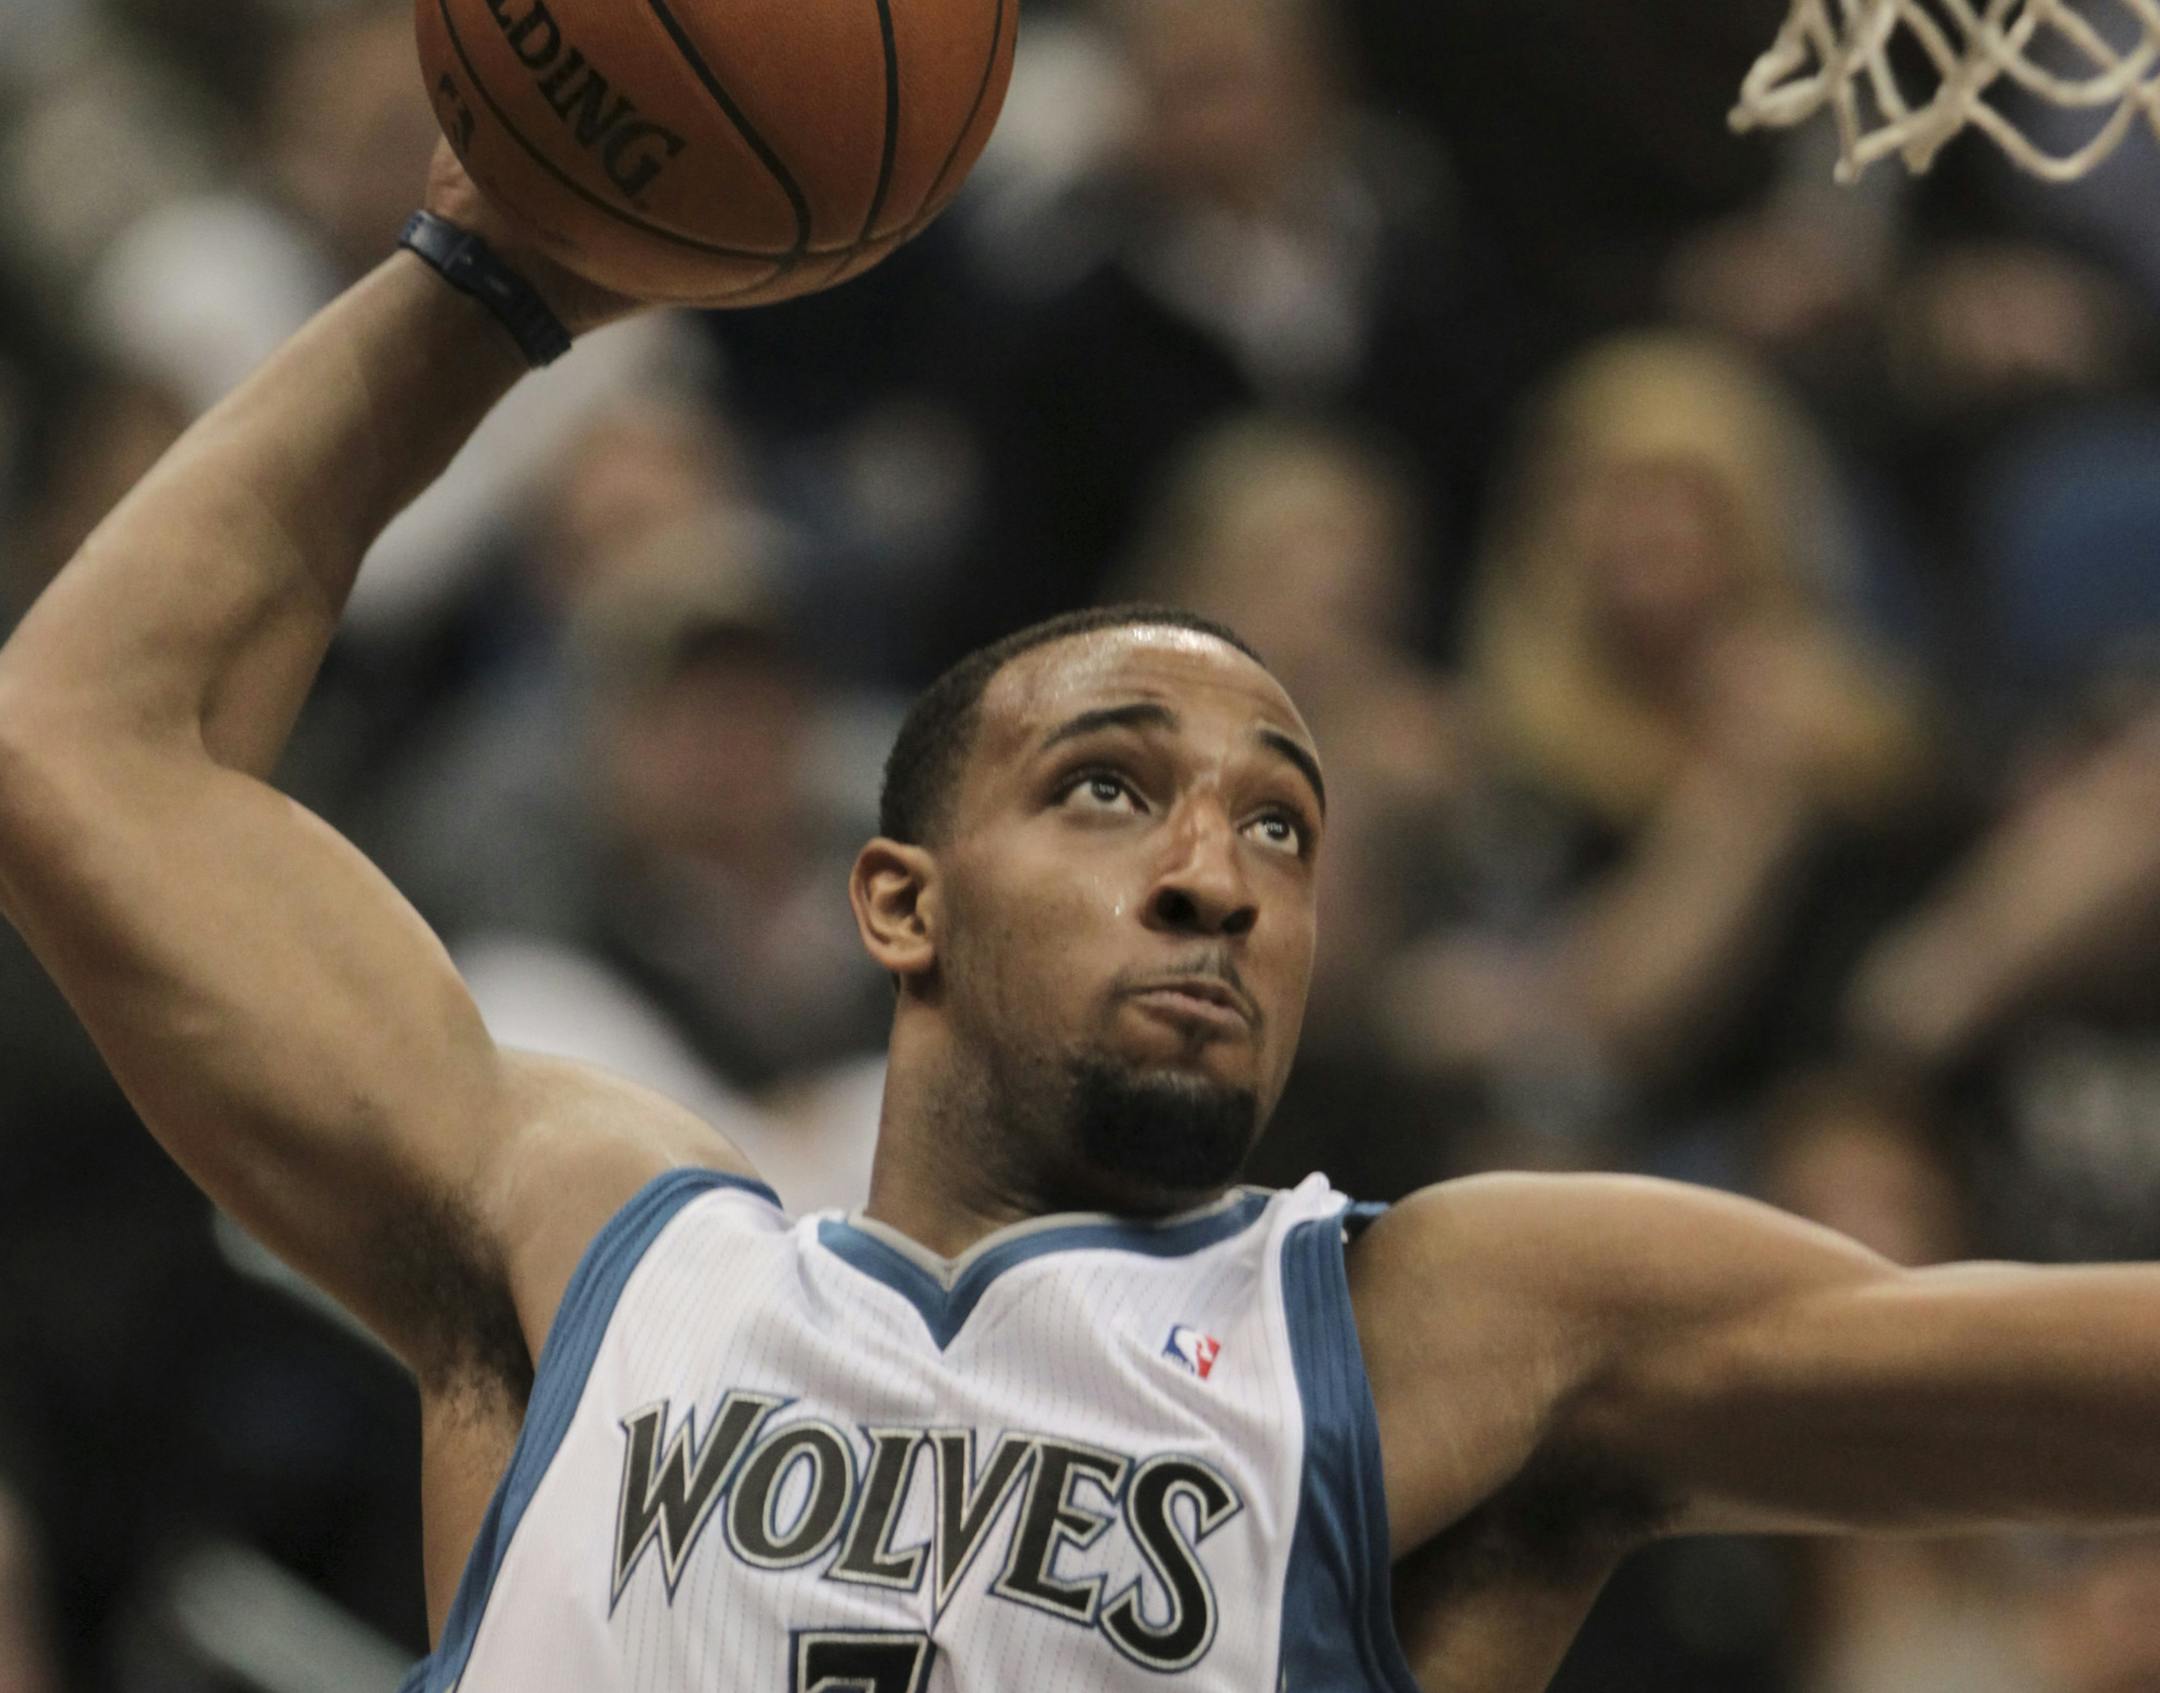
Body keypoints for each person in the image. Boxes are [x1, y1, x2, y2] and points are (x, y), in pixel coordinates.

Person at [10, 150, 2160, 1693]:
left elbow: (2077, 1380)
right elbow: (82, 743)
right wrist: (495, 268)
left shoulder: (1453, 1324)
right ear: (898, 902)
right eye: (1110, 782)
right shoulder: (596, 1239)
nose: (1218, 868)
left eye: (1286, 828)